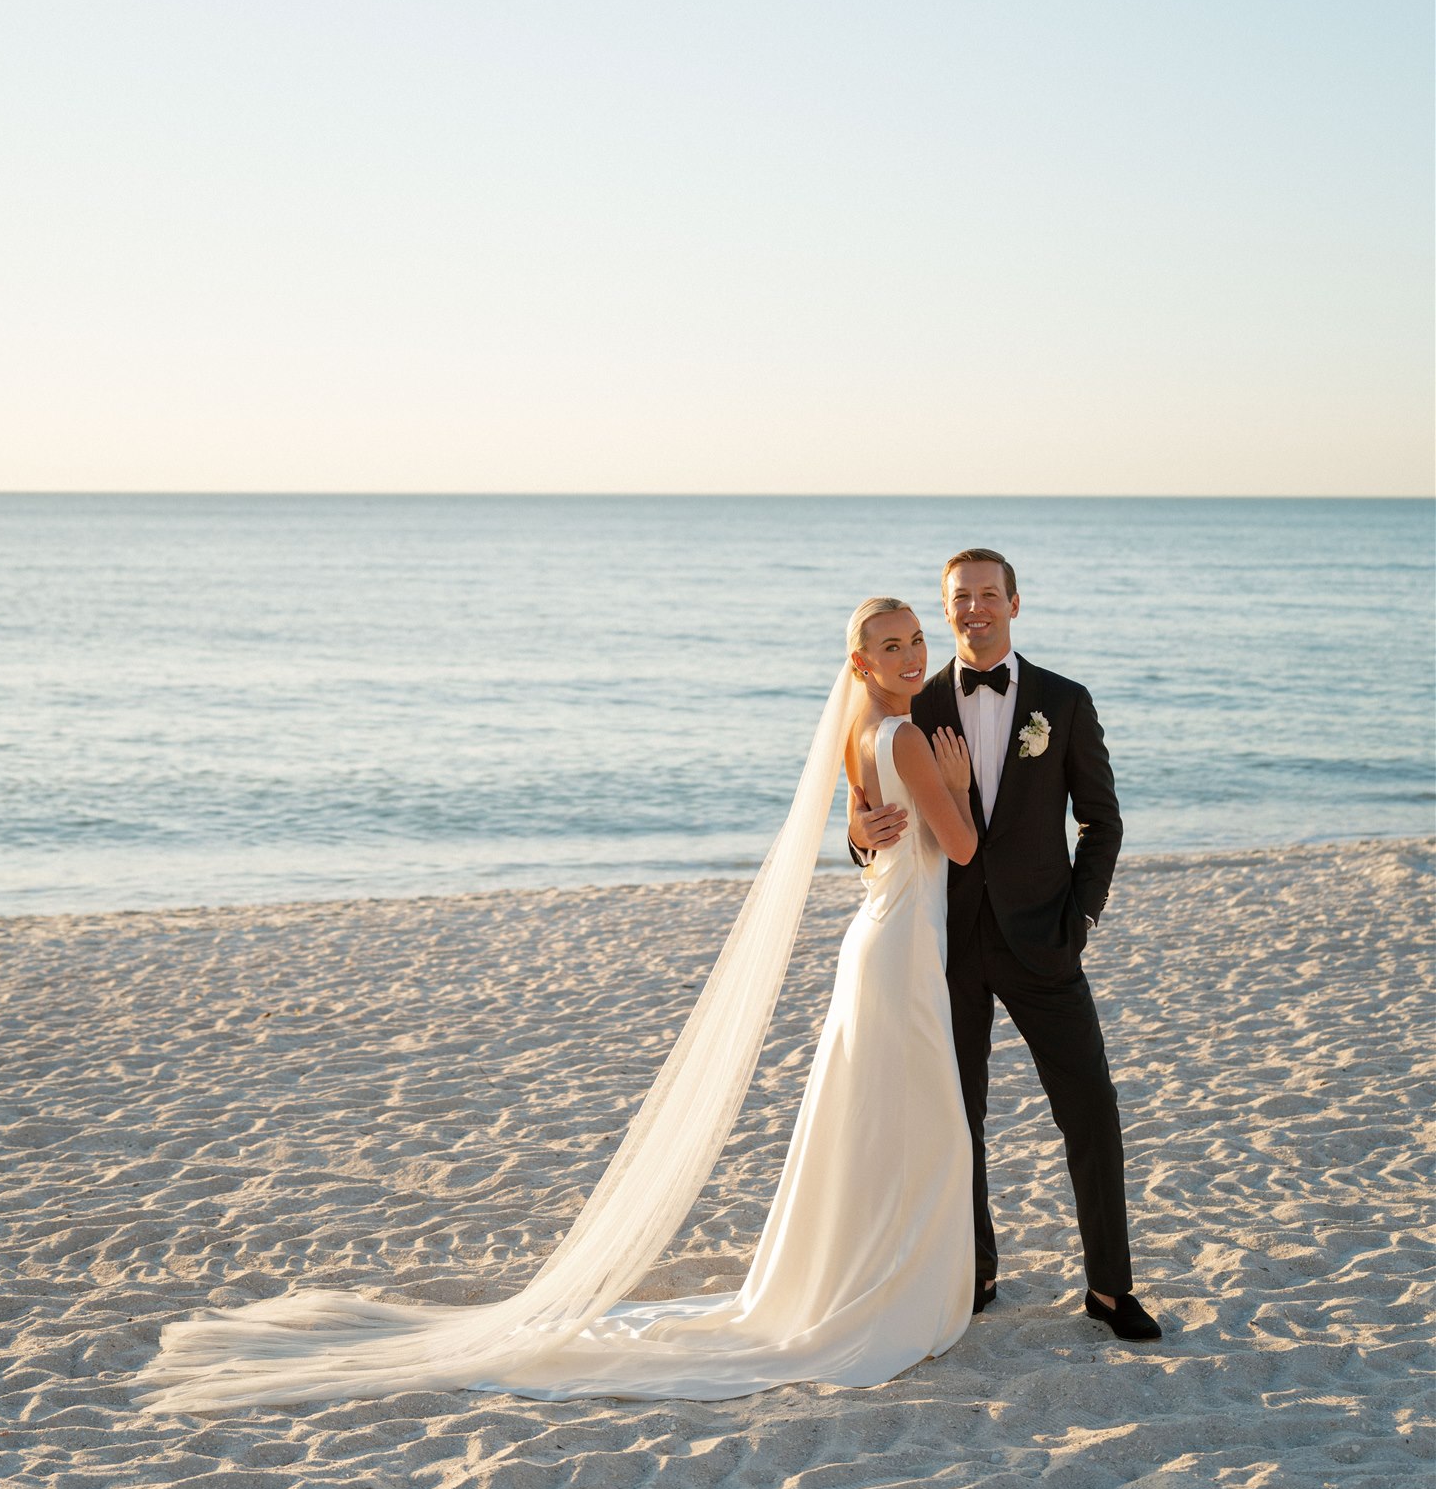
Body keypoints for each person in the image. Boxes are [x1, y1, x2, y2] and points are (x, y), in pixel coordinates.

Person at [137, 599, 980, 1412]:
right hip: (900, 947)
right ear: (861, 662)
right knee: (913, 1120)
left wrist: (890, 818)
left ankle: (865, 1273)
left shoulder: (857, 734)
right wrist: (956, 776)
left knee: (875, 1122)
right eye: (893, 646)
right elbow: (964, 845)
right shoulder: (904, 738)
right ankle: (884, 1289)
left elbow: (875, 836)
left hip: (880, 936)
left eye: (915, 641)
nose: (912, 658)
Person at [849, 549, 1161, 1341]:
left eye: (990, 595)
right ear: (945, 609)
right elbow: (869, 807)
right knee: (960, 1115)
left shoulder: (1064, 700)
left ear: (1015, 605)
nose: (975, 608)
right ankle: (976, 1270)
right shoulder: (911, 706)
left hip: (1045, 942)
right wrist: (857, 837)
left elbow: (1103, 822)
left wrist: (1081, 916)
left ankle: (1110, 1289)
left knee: (1091, 1107)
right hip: (943, 942)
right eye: (961, 597)